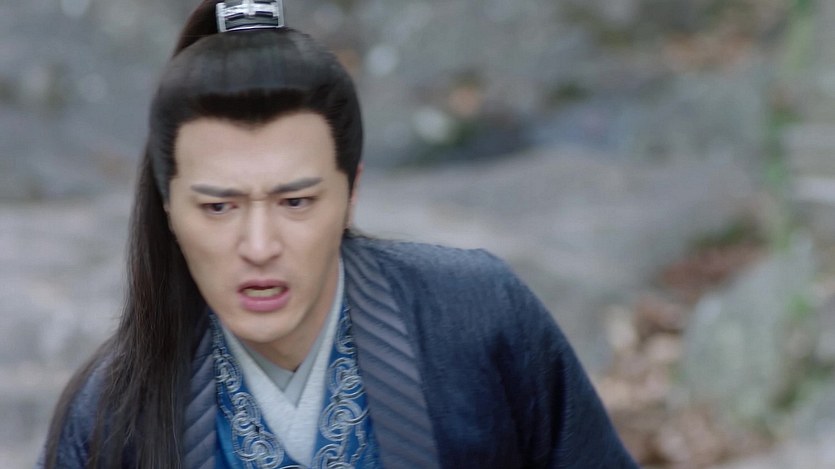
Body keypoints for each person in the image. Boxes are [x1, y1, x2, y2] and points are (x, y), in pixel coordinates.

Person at [40, 0, 638, 467]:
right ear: (169, 208)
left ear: (351, 192)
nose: (259, 246)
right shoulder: (109, 414)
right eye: (219, 207)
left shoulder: (476, 320)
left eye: (295, 201)